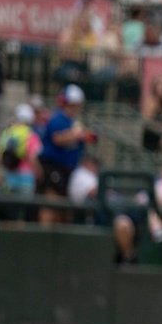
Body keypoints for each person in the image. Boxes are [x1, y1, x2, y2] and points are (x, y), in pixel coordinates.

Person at [37, 85, 93, 224]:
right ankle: (43, 236)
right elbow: (58, 138)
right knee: (52, 203)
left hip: (68, 169)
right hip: (54, 167)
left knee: (64, 209)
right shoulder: (58, 118)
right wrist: (78, 135)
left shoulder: (73, 122)